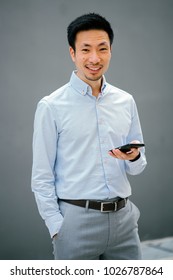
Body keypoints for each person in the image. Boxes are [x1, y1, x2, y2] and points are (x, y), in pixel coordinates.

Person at [31, 13, 147, 260]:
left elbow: (138, 167)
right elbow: (41, 177)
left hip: (123, 222)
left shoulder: (125, 101)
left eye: (102, 49)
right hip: (75, 225)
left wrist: (134, 157)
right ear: (73, 53)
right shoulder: (51, 106)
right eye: (86, 49)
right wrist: (56, 227)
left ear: (110, 51)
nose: (95, 58)